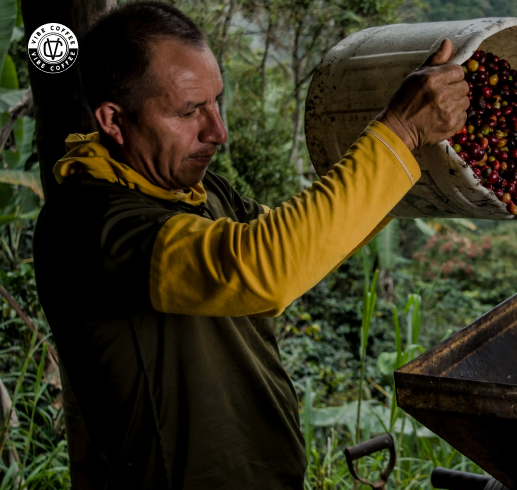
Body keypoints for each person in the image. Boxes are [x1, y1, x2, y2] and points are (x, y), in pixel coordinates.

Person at [32, 2, 467, 489]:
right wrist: (400, 131)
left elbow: (304, 244)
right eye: (189, 111)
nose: (217, 131)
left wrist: (411, 168)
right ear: (113, 120)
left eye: (216, 101)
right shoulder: (91, 222)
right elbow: (264, 268)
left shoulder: (203, 190)